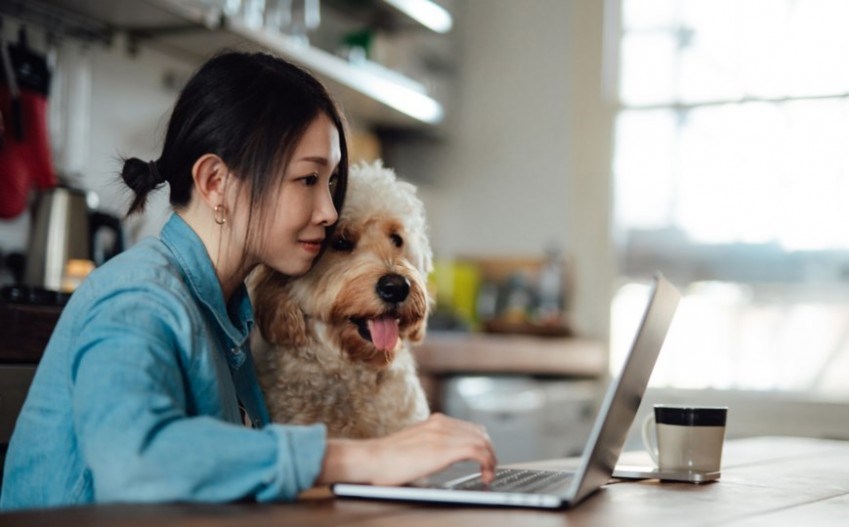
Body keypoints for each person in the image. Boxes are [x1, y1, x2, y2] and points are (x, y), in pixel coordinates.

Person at [0, 51, 495, 510]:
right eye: (307, 180)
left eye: (331, 183)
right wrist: (362, 458)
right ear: (216, 182)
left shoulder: (226, 311)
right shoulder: (138, 299)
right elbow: (134, 462)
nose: (327, 211)